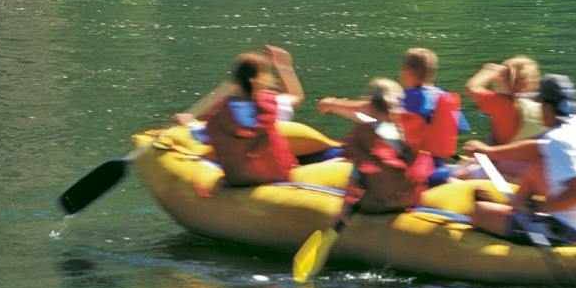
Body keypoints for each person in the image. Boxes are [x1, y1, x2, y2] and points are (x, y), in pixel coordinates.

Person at [466, 74, 576, 243]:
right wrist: (487, 151)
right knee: (538, 165)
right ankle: (514, 207)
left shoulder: (559, 138)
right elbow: (535, 147)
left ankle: (516, 211)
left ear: (547, 107)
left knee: (479, 212)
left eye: (540, 104)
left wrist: (535, 208)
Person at [180, 47, 303, 186]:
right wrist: (284, 66)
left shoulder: (220, 112)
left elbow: (201, 136)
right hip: (275, 175)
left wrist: (187, 122)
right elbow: (297, 96)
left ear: (235, 82)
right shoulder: (277, 103)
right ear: (263, 78)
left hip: (238, 179)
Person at [319, 79, 433, 214]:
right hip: (409, 201)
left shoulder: (366, 134)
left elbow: (354, 178)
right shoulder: (408, 130)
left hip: (379, 205)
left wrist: (344, 212)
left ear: (370, 105)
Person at [395, 47, 468, 161]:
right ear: (432, 72)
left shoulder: (403, 98)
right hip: (438, 162)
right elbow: (459, 128)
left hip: (412, 163)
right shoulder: (446, 97)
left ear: (407, 71)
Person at [466, 56, 543, 143]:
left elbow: (472, 89)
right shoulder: (547, 107)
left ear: (501, 80)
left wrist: (488, 71)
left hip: (505, 155)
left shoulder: (502, 104)